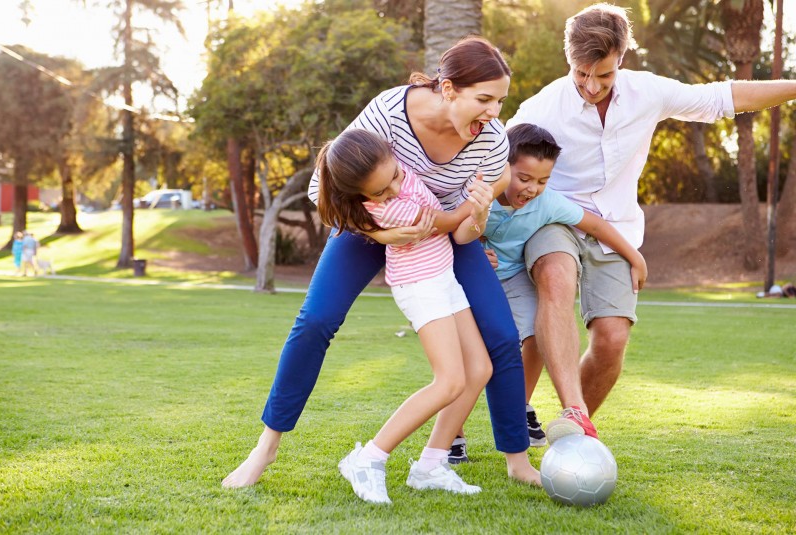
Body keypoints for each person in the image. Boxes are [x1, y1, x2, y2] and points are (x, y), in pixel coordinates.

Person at [223, 36, 542, 489]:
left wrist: (481, 208)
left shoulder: (489, 139)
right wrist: (381, 234)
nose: (494, 114)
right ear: (449, 89)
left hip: (443, 230)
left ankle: (514, 459)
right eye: (484, 99)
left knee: (501, 337)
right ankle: (267, 446)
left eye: (500, 101)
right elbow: (322, 190)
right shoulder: (390, 112)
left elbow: (479, 205)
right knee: (315, 320)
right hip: (366, 226)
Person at [505, 2, 796, 441]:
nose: (589, 85)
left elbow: (725, 97)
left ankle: (568, 431)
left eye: (602, 75)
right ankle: (569, 412)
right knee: (555, 278)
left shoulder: (648, 92)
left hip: (617, 229)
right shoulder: (541, 107)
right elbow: (494, 164)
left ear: (622, 57)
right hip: (555, 221)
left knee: (611, 341)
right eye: (580, 73)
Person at [317, 128, 492, 504]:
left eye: (395, 176)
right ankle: (368, 458)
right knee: (449, 381)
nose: (394, 189)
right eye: (379, 192)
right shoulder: (390, 208)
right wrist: (480, 197)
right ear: (362, 196)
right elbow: (444, 222)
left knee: (479, 370)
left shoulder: (398, 168)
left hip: (444, 278)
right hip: (420, 285)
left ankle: (431, 465)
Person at [481, 123, 646, 445]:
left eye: (542, 181)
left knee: (536, 333)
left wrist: (634, 257)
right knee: (471, 357)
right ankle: (452, 436)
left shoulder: (547, 203)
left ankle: (519, 408)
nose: (532, 189)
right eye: (524, 179)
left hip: (513, 279)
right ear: (502, 167)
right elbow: (450, 230)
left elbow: (595, 224)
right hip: (477, 281)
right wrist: (473, 252)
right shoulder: (480, 196)